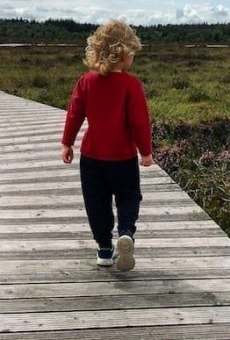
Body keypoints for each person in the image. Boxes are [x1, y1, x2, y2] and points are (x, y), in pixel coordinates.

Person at [60, 19, 154, 271]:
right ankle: (126, 233)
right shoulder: (131, 85)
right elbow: (139, 122)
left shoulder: (86, 82)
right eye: (131, 54)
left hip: (91, 156)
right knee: (128, 196)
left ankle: (104, 248)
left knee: (96, 202)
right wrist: (145, 152)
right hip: (122, 156)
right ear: (122, 55)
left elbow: (74, 114)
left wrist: (67, 143)